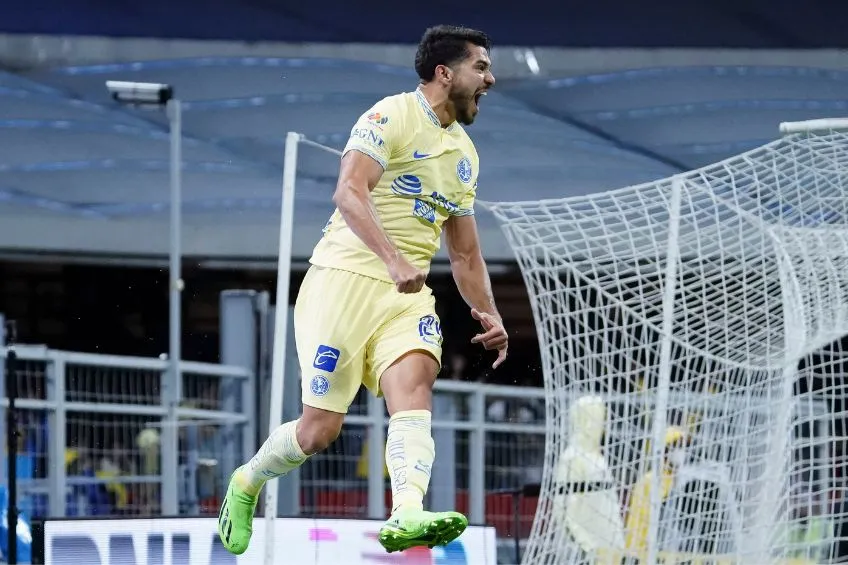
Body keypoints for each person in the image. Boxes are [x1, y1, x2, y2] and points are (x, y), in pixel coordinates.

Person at [218, 24, 506, 556]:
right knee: (318, 432)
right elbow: (349, 192)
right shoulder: (390, 115)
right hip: (341, 283)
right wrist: (393, 258)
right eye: (481, 67)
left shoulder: (465, 153)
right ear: (445, 73)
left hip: (406, 297)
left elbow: (465, 254)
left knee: (416, 388)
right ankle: (247, 479)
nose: (491, 79)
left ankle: (407, 511)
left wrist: (489, 313)